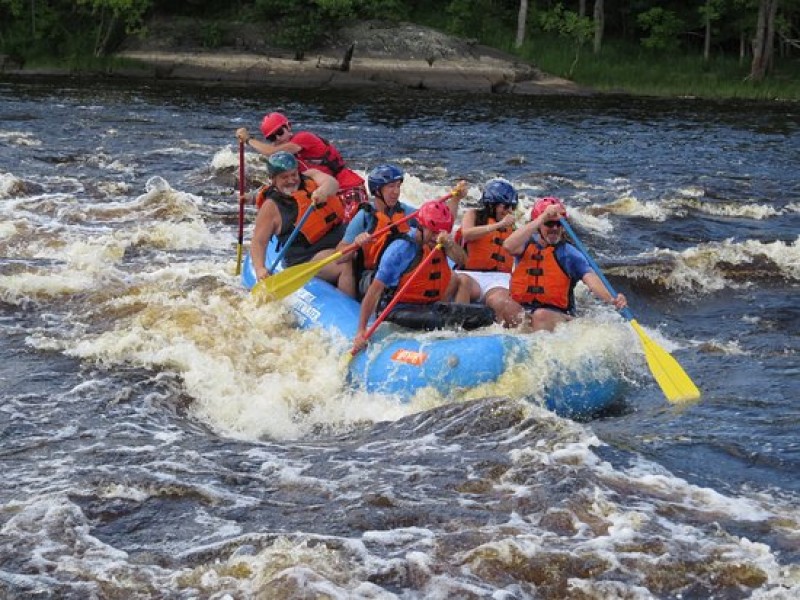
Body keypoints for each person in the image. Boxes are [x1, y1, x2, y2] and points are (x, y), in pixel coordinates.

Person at [352, 201, 472, 353]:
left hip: (427, 305)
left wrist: (450, 244)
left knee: (484, 315)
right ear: (421, 226)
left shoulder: (440, 244)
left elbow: (463, 260)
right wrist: (361, 331)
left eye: (440, 233)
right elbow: (374, 291)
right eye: (433, 232)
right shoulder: (400, 250)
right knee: (444, 319)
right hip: (398, 308)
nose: (436, 238)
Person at [340, 163, 466, 298]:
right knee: (348, 263)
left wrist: (455, 200)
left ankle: (437, 308)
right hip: (373, 275)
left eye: (398, 186)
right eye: (391, 186)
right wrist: (356, 243)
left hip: (402, 268)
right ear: (377, 191)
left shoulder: (406, 211)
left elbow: (439, 223)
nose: (396, 191)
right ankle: (348, 305)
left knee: (452, 278)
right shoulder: (365, 216)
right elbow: (340, 255)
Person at [502, 197, 627, 331]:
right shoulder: (524, 245)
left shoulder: (569, 253)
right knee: (507, 307)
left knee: (541, 315)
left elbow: (591, 279)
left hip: (559, 315)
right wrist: (543, 217)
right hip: (527, 310)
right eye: (549, 224)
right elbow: (508, 245)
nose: (555, 228)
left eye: (559, 224)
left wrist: (612, 299)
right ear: (538, 225)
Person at [250, 151, 356, 297]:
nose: (291, 180)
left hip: (338, 239)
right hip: (307, 258)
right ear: (273, 179)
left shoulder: (311, 176)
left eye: (294, 174)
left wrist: (323, 191)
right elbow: (258, 242)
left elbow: (332, 183)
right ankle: (349, 309)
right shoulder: (271, 206)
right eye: (284, 177)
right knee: (344, 263)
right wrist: (260, 269)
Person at [236, 112, 367, 221]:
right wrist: (253, 197)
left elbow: (271, 152)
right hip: (328, 195)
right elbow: (281, 185)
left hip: (349, 188)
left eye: (280, 132)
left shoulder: (303, 138)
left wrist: (248, 140)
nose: (278, 138)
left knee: (348, 227)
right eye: (272, 138)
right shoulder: (290, 163)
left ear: (289, 127)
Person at [455, 178, 521, 327]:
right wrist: (498, 225)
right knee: (462, 282)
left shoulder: (513, 228)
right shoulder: (473, 215)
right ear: (491, 205)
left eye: (512, 207)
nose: (509, 211)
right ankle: (457, 326)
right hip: (470, 275)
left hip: (498, 279)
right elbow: (467, 233)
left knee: (503, 303)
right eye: (505, 206)